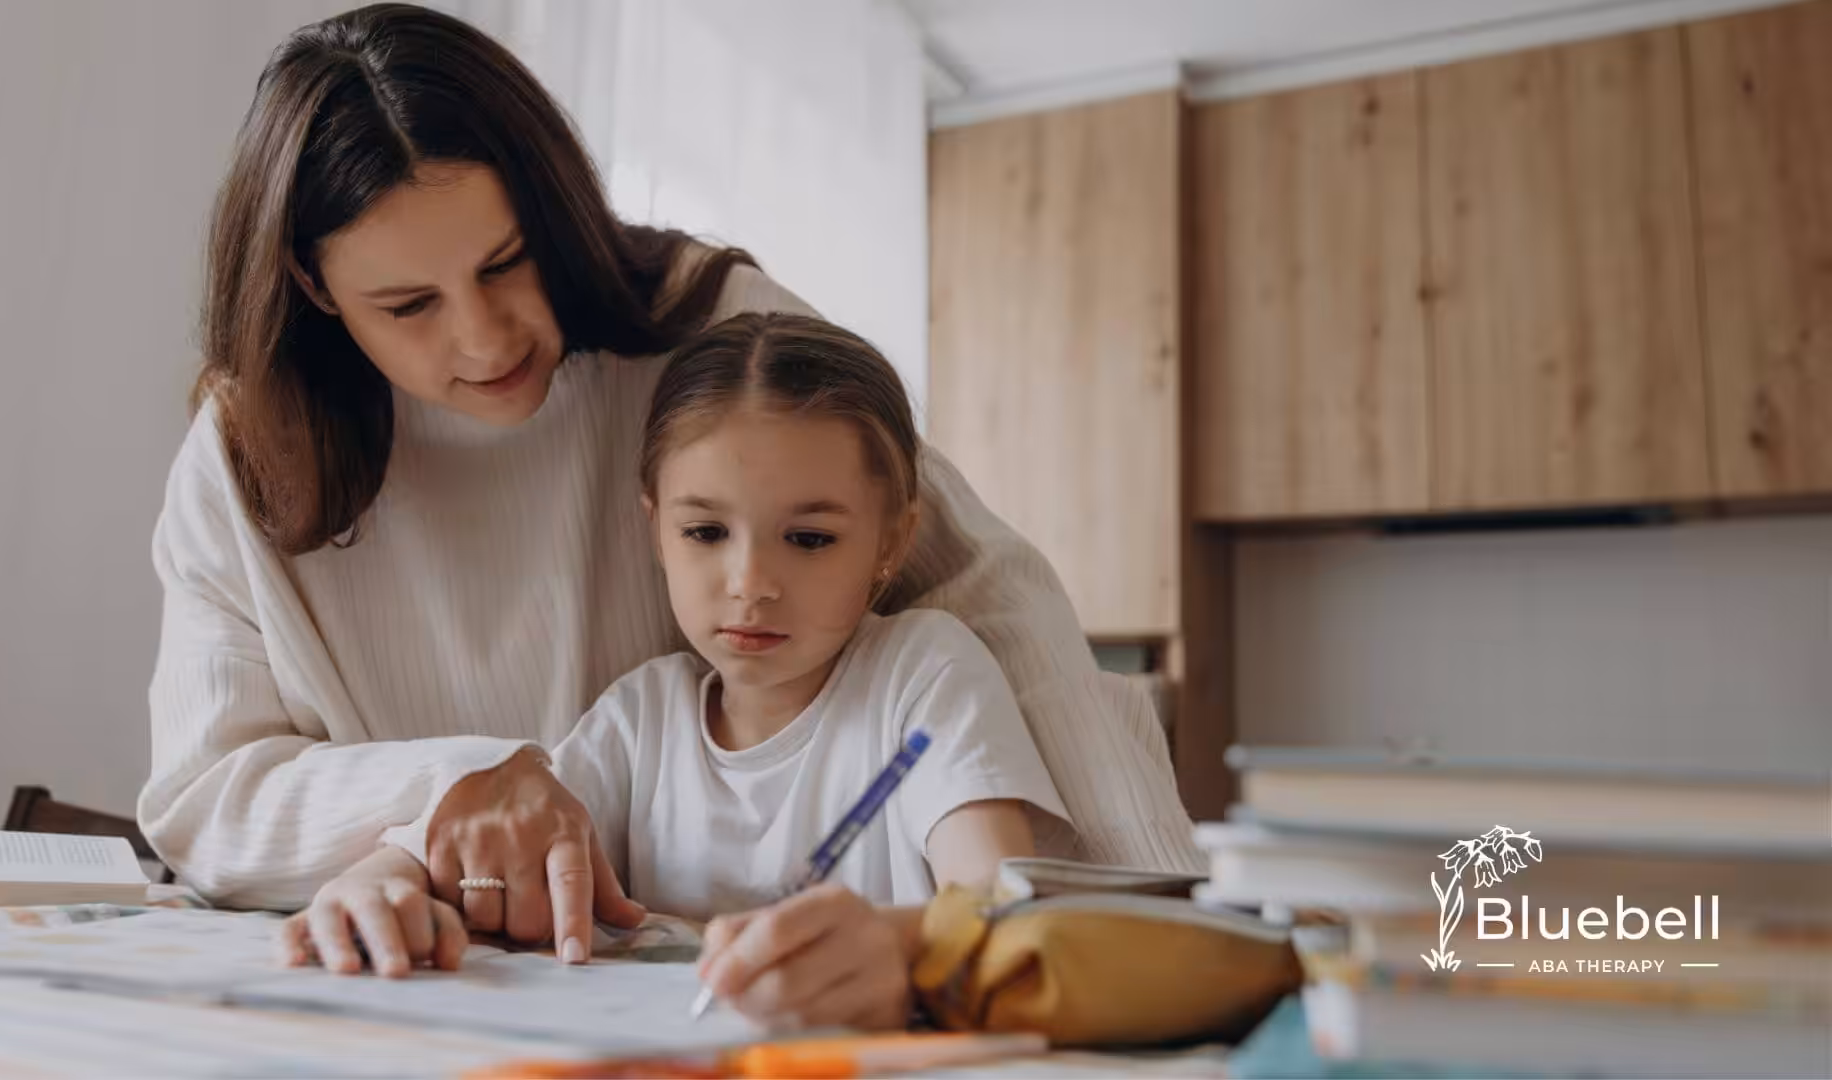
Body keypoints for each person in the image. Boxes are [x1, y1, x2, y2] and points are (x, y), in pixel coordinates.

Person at [142, 1, 1199, 963]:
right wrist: (437, 805)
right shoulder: (247, 455)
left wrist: (1149, 913)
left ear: (553, 208)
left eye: (508, 261)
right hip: (454, 971)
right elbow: (201, 794)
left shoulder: (714, 330)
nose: (485, 338)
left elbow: (988, 594)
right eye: (410, 305)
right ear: (314, 287)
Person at [286, 314, 1070, 1030]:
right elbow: (490, 847)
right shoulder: (641, 717)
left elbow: (1002, 915)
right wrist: (383, 878)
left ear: (894, 543)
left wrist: (899, 949)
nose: (750, 582)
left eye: (809, 539)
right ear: (656, 529)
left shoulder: (922, 674)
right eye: (705, 530)